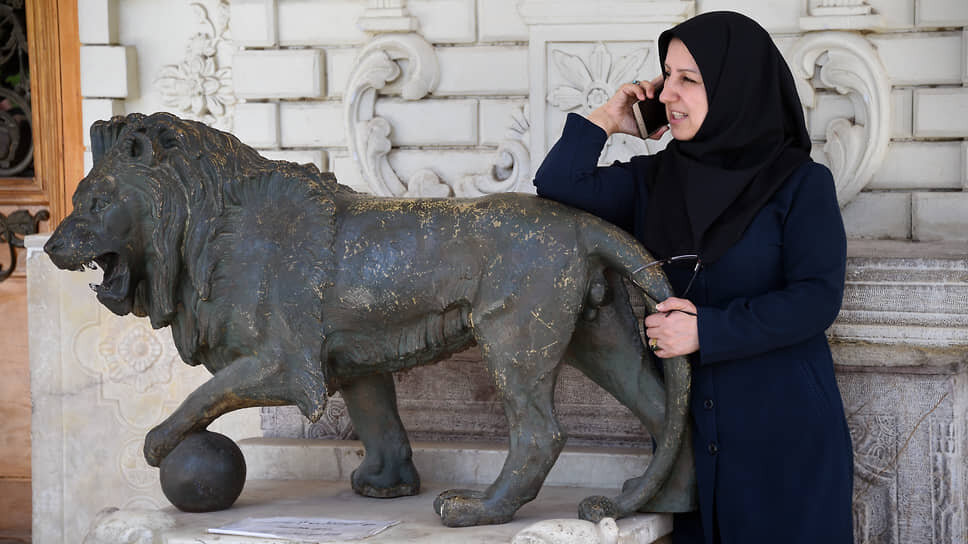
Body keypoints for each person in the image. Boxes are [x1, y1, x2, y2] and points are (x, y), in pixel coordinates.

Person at [532, 11, 854, 544]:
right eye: (666, 76)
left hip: (786, 441)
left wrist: (709, 330)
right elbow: (560, 183)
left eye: (690, 79)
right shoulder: (656, 179)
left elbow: (816, 298)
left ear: (736, 88)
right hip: (695, 450)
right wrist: (609, 118)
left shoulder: (799, 184)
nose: (669, 95)